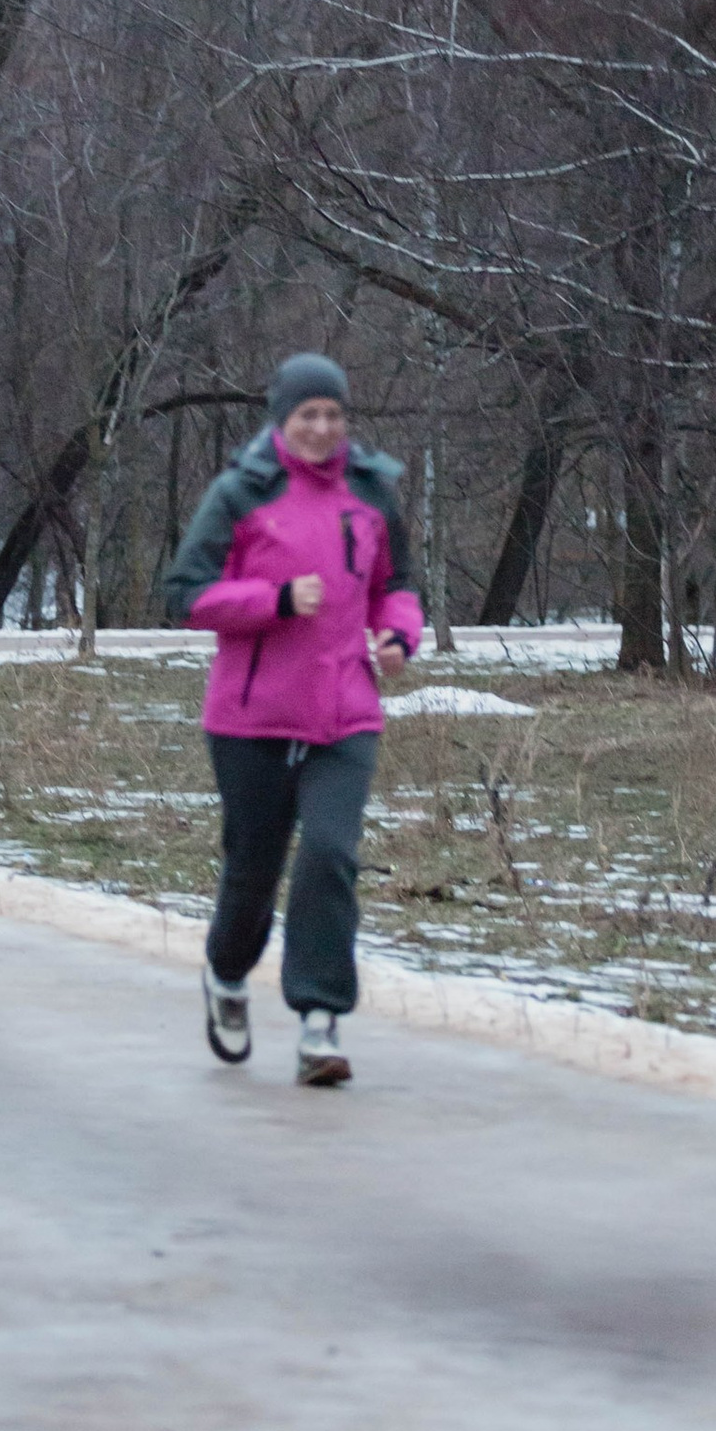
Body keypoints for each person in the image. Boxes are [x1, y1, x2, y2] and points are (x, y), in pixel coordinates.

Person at [164, 353, 423, 1085]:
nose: (322, 427)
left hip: (345, 712)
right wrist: (274, 600)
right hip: (252, 718)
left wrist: (398, 634)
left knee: (330, 855)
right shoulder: (242, 492)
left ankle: (319, 1021)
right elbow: (186, 593)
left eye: (334, 414)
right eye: (308, 414)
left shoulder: (371, 491)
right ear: (282, 419)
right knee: (254, 867)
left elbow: (397, 585)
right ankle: (227, 973)